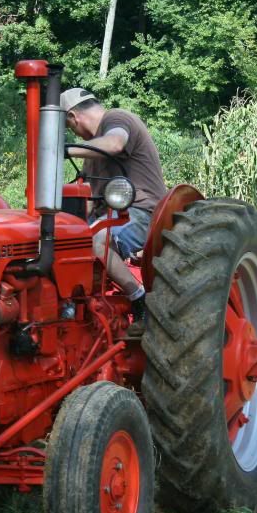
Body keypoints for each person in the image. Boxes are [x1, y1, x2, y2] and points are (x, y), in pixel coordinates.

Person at [60, 87, 168, 331]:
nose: (74, 133)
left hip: (141, 212)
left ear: (74, 118)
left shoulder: (117, 118)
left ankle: (140, 300)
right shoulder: (92, 155)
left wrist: (66, 149)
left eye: (70, 128)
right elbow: (87, 199)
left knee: (97, 241)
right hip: (109, 217)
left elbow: (116, 143)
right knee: (68, 243)